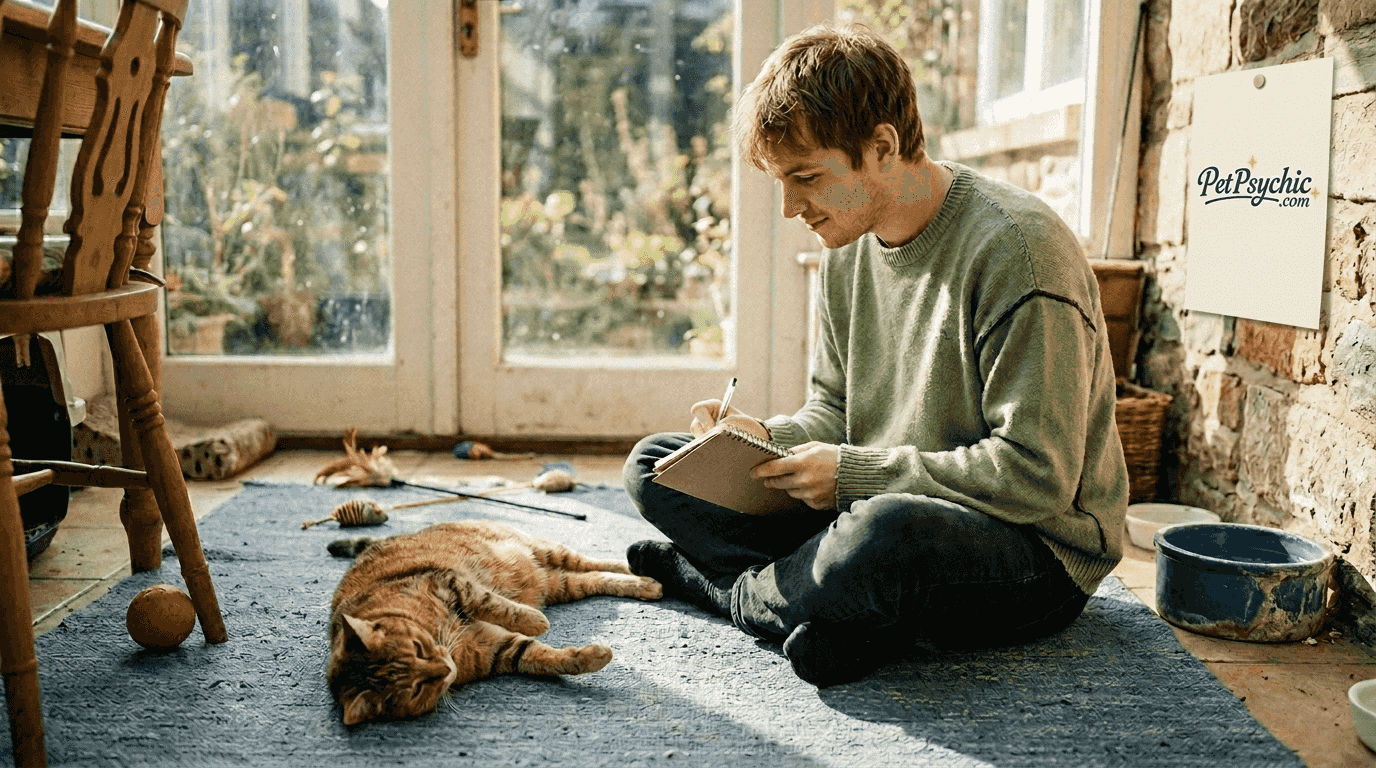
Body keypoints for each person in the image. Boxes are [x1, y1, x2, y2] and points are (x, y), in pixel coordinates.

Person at [623, 22, 1129, 687]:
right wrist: (760, 439)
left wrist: (854, 475)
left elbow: (1038, 477)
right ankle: (843, 620)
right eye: (781, 182)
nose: (789, 208)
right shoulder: (846, 245)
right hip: (881, 501)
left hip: (1032, 550)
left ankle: (730, 594)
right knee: (655, 467)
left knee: (883, 537)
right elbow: (835, 410)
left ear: (882, 147)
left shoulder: (1020, 252)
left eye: (805, 178)